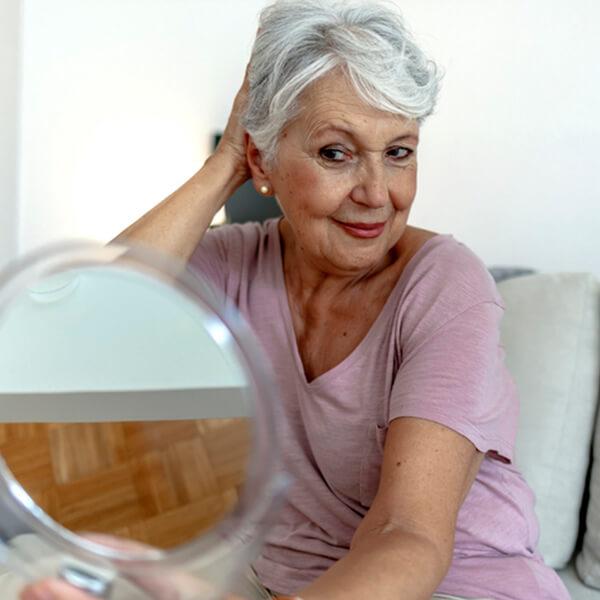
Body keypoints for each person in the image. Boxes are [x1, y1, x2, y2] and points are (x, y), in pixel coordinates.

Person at [21, 1, 570, 599]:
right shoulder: (230, 264)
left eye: (399, 152)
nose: (377, 194)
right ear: (264, 159)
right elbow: (80, 324)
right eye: (336, 153)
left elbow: (406, 532)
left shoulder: (445, 283)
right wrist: (225, 163)